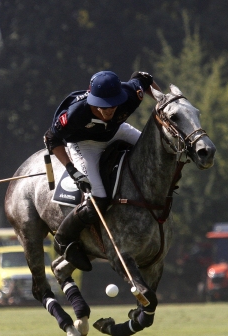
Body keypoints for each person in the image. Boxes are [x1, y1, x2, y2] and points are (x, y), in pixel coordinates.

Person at [44, 70, 161, 271]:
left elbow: (144, 78)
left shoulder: (131, 94)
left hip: (117, 131)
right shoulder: (75, 114)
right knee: (98, 197)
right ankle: (64, 239)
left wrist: (163, 103)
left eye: (113, 105)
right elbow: (51, 139)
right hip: (84, 144)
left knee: (153, 155)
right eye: (103, 106)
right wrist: (72, 170)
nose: (109, 111)